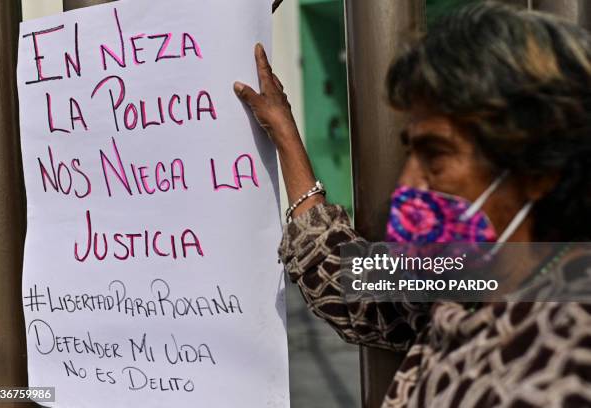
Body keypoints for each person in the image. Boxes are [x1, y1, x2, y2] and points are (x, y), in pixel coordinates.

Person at [234, 3, 591, 407]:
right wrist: (283, 131)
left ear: (540, 168)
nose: (408, 183)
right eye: (411, 153)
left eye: (435, 154)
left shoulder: (569, 359)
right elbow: (348, 282)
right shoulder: (473, 274)